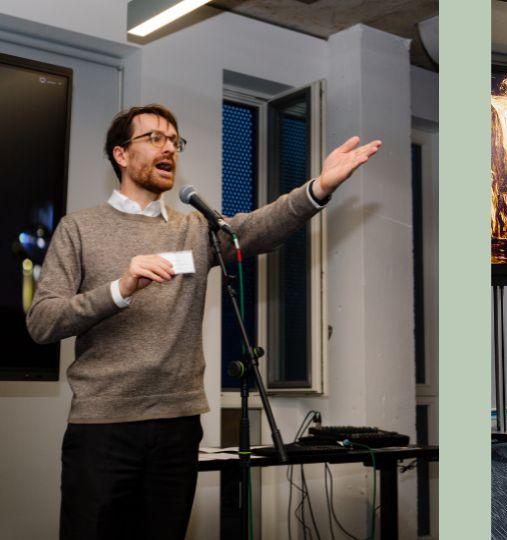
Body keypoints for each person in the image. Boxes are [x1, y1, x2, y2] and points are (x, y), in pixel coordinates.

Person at [26, 104, 380, 539]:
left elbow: (259, 227)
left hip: (178, 424)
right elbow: (42, 322)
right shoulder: (79, 228)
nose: (169, 148)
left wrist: (319, 188)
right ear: (121, 154)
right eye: (155, 138)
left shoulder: (195, 229)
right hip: (103, 427)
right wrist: (121, 288)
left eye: (175, 141)